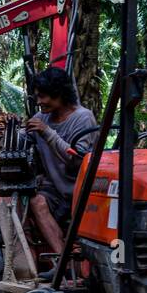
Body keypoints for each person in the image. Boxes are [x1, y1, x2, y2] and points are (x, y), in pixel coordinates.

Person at [24, 67, 98, 257]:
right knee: (36, 202)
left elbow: (78, 161)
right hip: (55, 188)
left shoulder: (83, 118)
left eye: (43, 96)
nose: (39, 102)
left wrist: (47, 133)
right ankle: (62, 262)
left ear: (60, 94)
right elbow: (24, 137)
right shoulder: (41, 117)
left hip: (80, 189)